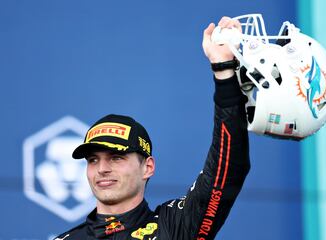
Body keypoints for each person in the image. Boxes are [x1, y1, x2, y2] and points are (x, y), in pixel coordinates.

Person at [55, 16, 250, 240]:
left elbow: (227, 169)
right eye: (93, 160)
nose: (102, 169)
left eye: (116, 157)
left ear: (148, 167)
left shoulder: (175, 227)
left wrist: (224, 70)